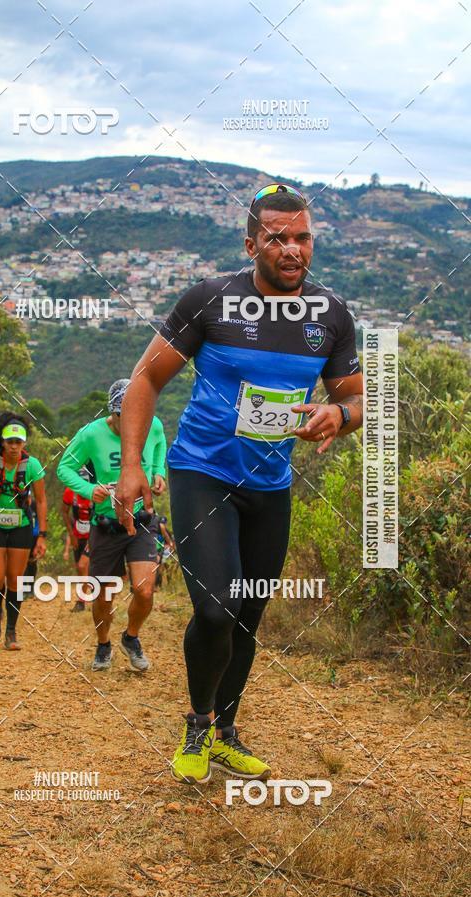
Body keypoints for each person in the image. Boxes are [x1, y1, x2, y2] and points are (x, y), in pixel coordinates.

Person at [115, 183, 364, 783]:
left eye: (302, 237)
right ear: (252, 243)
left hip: (270, 484)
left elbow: (357, 399)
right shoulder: (211, 301)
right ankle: (196, 723)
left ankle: (225, 732)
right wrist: (129, 468)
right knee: (217, 606)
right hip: (202, 472)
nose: (292, 249)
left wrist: (340, 415)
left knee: (248, 614)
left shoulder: (329, 316)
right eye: (278, 237)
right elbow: (144, 382)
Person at [57, 379, 167, 672]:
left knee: (144, 590)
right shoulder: (91, 434)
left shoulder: (151, 425)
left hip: (142, 520)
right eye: (122, 414)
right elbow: (64, 468)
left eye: (134, 412)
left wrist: (158, 473)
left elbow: (159, 445)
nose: (130, 420)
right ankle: (103, 644)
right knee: (104, 594)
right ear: (113, 412)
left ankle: (131, 637)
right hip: (106, 523)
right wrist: (87, 489)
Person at [0, 413, 48, 650]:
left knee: (15, 581)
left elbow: (41, 500)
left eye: (19, 442)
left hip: (21, 528)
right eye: (10, 442)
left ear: (24, 443)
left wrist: (42, 536)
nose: (15, 447)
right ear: (2, 442)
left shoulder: (32, 465)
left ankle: (11, 632)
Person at [62, 466, 93, 612]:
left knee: (83, 566)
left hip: (93, 535)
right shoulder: (70, 492)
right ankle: (87, 594)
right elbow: (64, 512)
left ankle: (82, 601)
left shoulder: (96, 493)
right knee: (80, 568)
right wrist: (72, 534)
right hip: (77, 534)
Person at [154, 514, 174, 589]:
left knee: (162, 568)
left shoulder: (167, 531)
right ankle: (157, 585)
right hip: (157, 549)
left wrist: (170, 547)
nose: (162, 524)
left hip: (163, 551)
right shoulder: (157, 528)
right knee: (158, 568)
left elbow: (169, 541)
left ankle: (160, 585)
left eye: (163, 523)